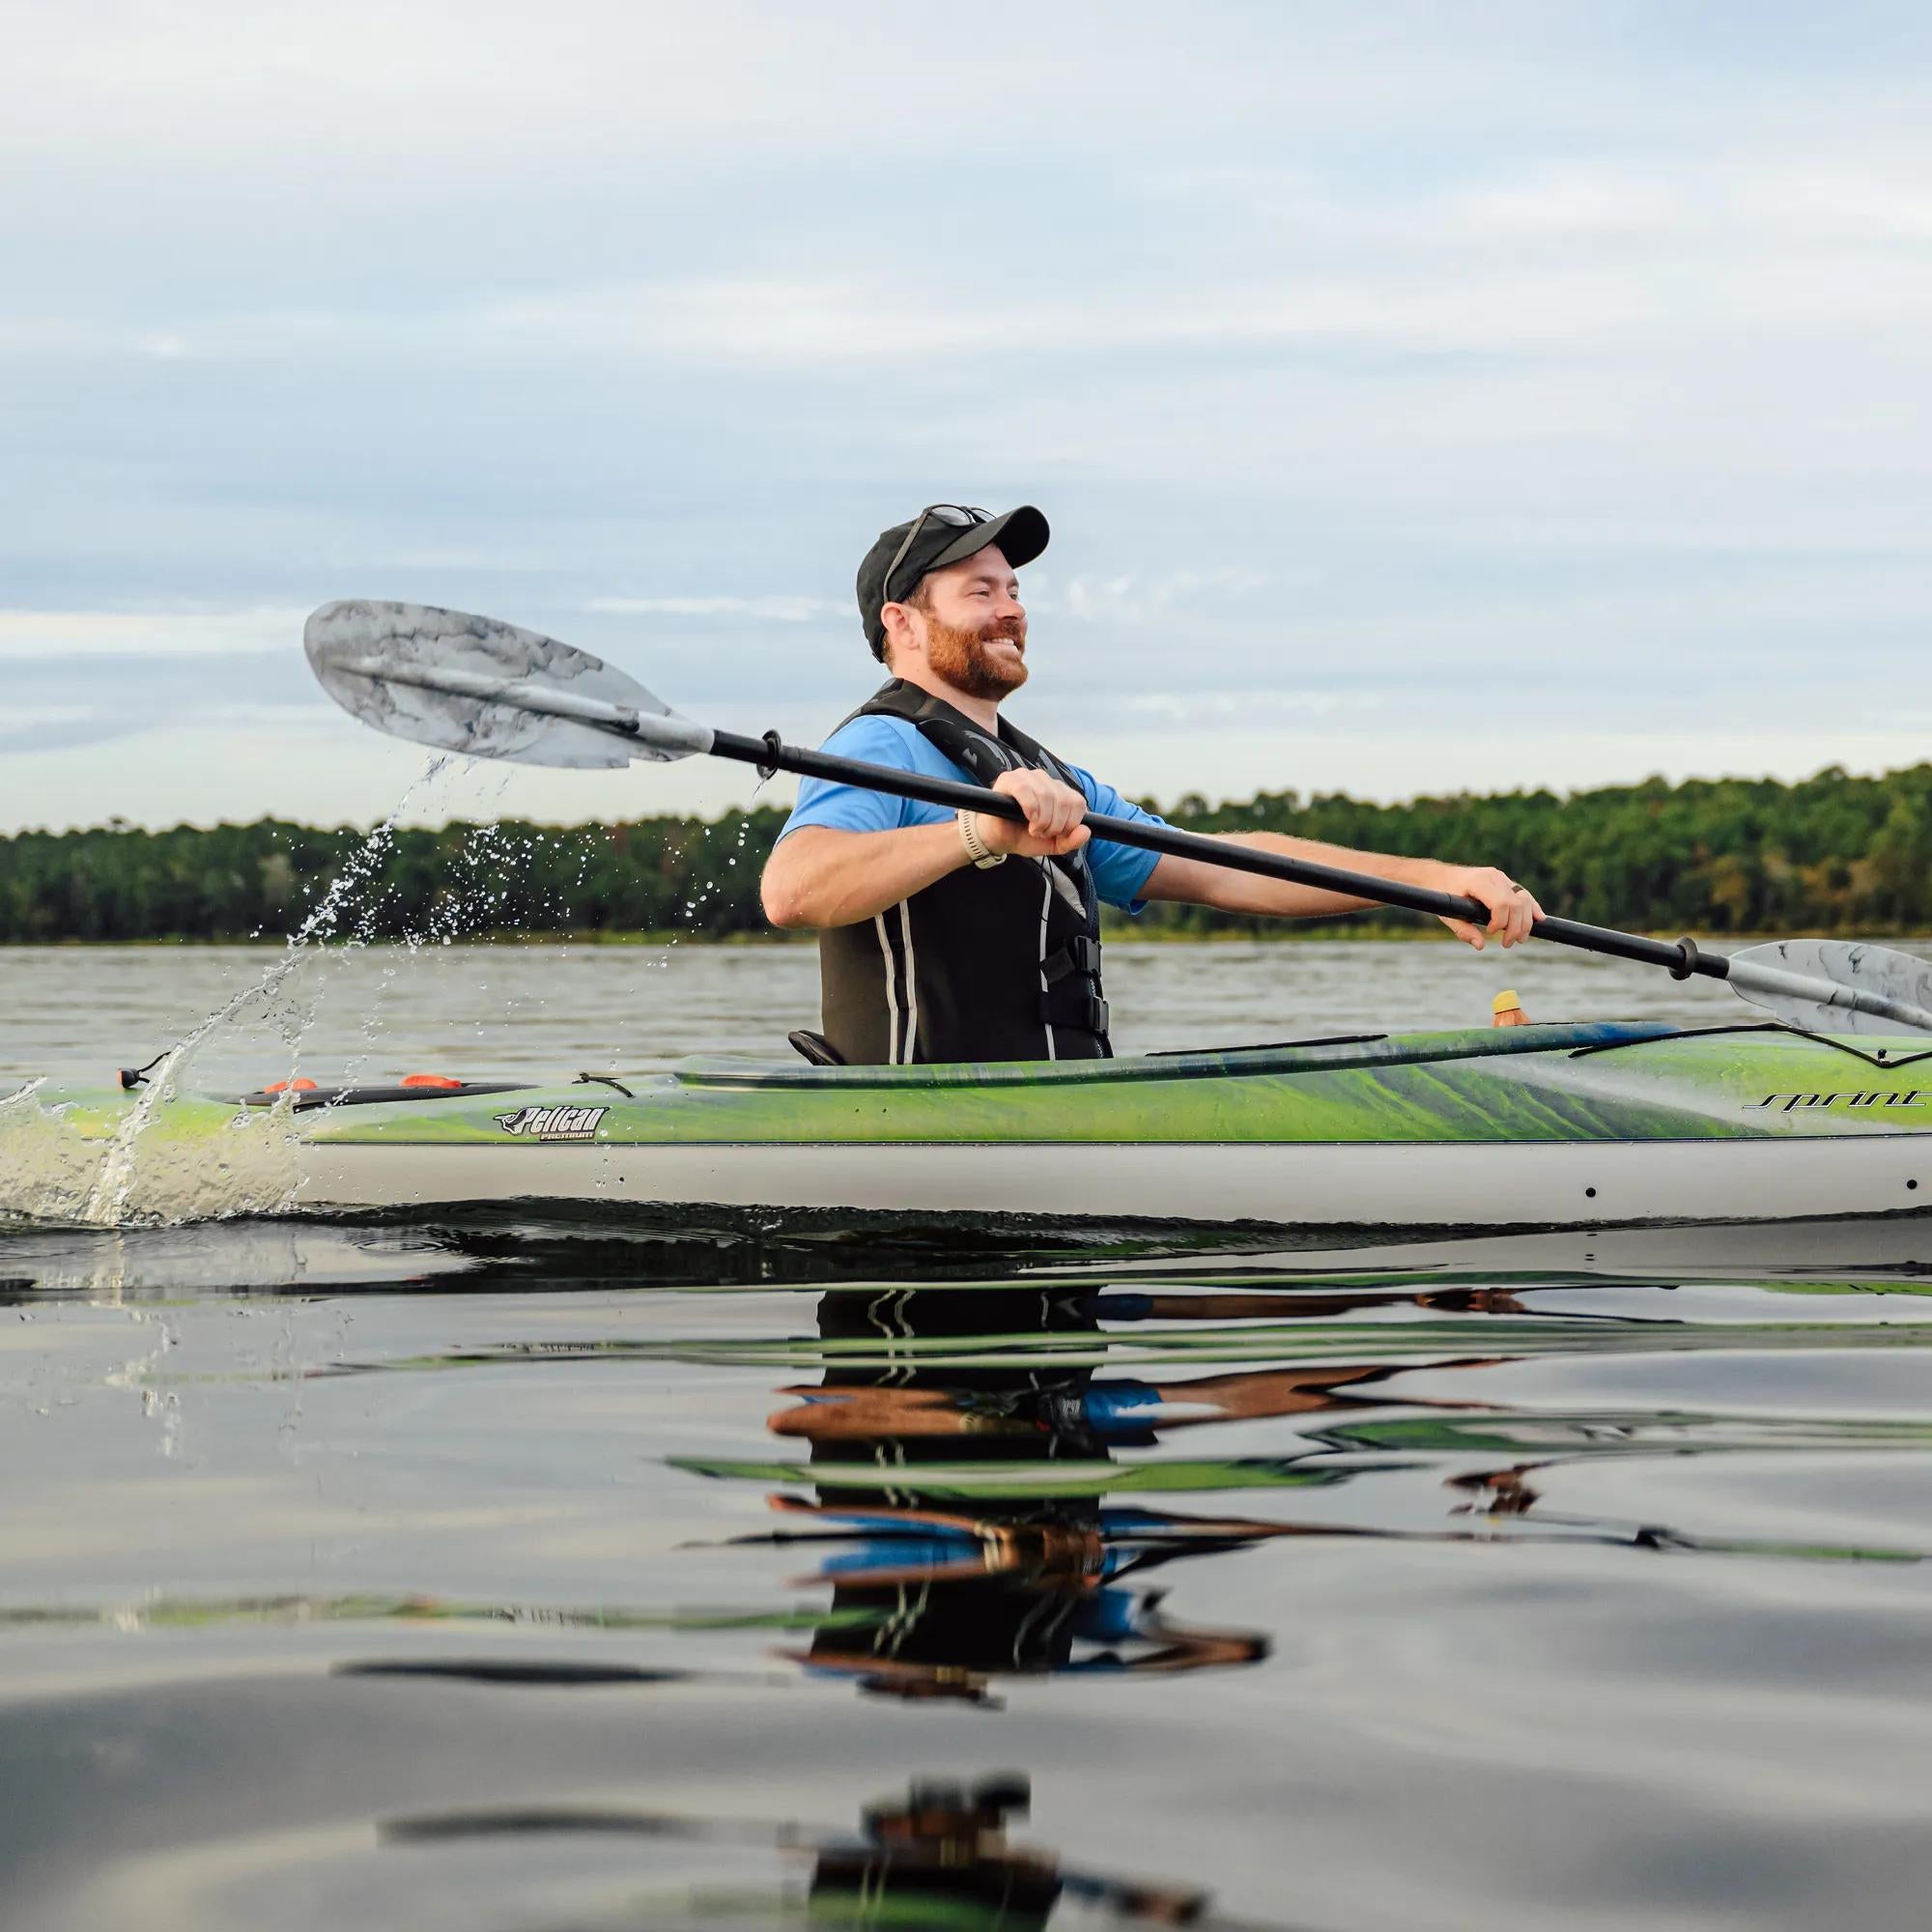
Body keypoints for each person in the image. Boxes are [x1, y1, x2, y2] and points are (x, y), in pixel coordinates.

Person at [761, 502, 1542, 1065]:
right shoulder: (880, 742)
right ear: (902, 623)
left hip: (1055, 1115)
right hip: (918, 1124)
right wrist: (980, 833)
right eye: (980, 592)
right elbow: (792, 891)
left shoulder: (1052, 779)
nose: (1010, 611)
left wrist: (1428, 880)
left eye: (1014, 591)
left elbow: (1228, 869)